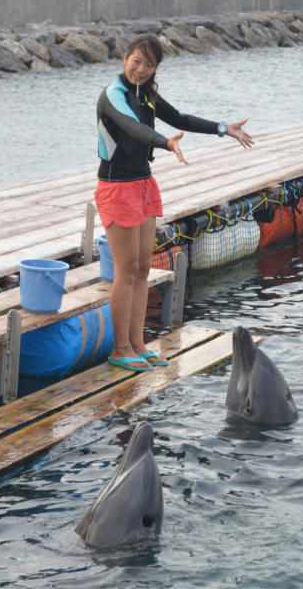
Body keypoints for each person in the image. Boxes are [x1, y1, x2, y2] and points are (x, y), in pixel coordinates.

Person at [95, 33, 254, 371]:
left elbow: (180, 118)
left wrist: (223, 128)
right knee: (124, 273)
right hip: (116, 187)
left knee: (141, 270)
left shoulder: (147, 93)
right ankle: (119, 348)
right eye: (136, 61)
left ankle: (138, 343)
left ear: (155, 69)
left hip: (143, 184)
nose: (140, 69)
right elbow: (131, 126)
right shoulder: (114, 95)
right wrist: (166, 143)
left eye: (148, 65)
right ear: (125, 58)